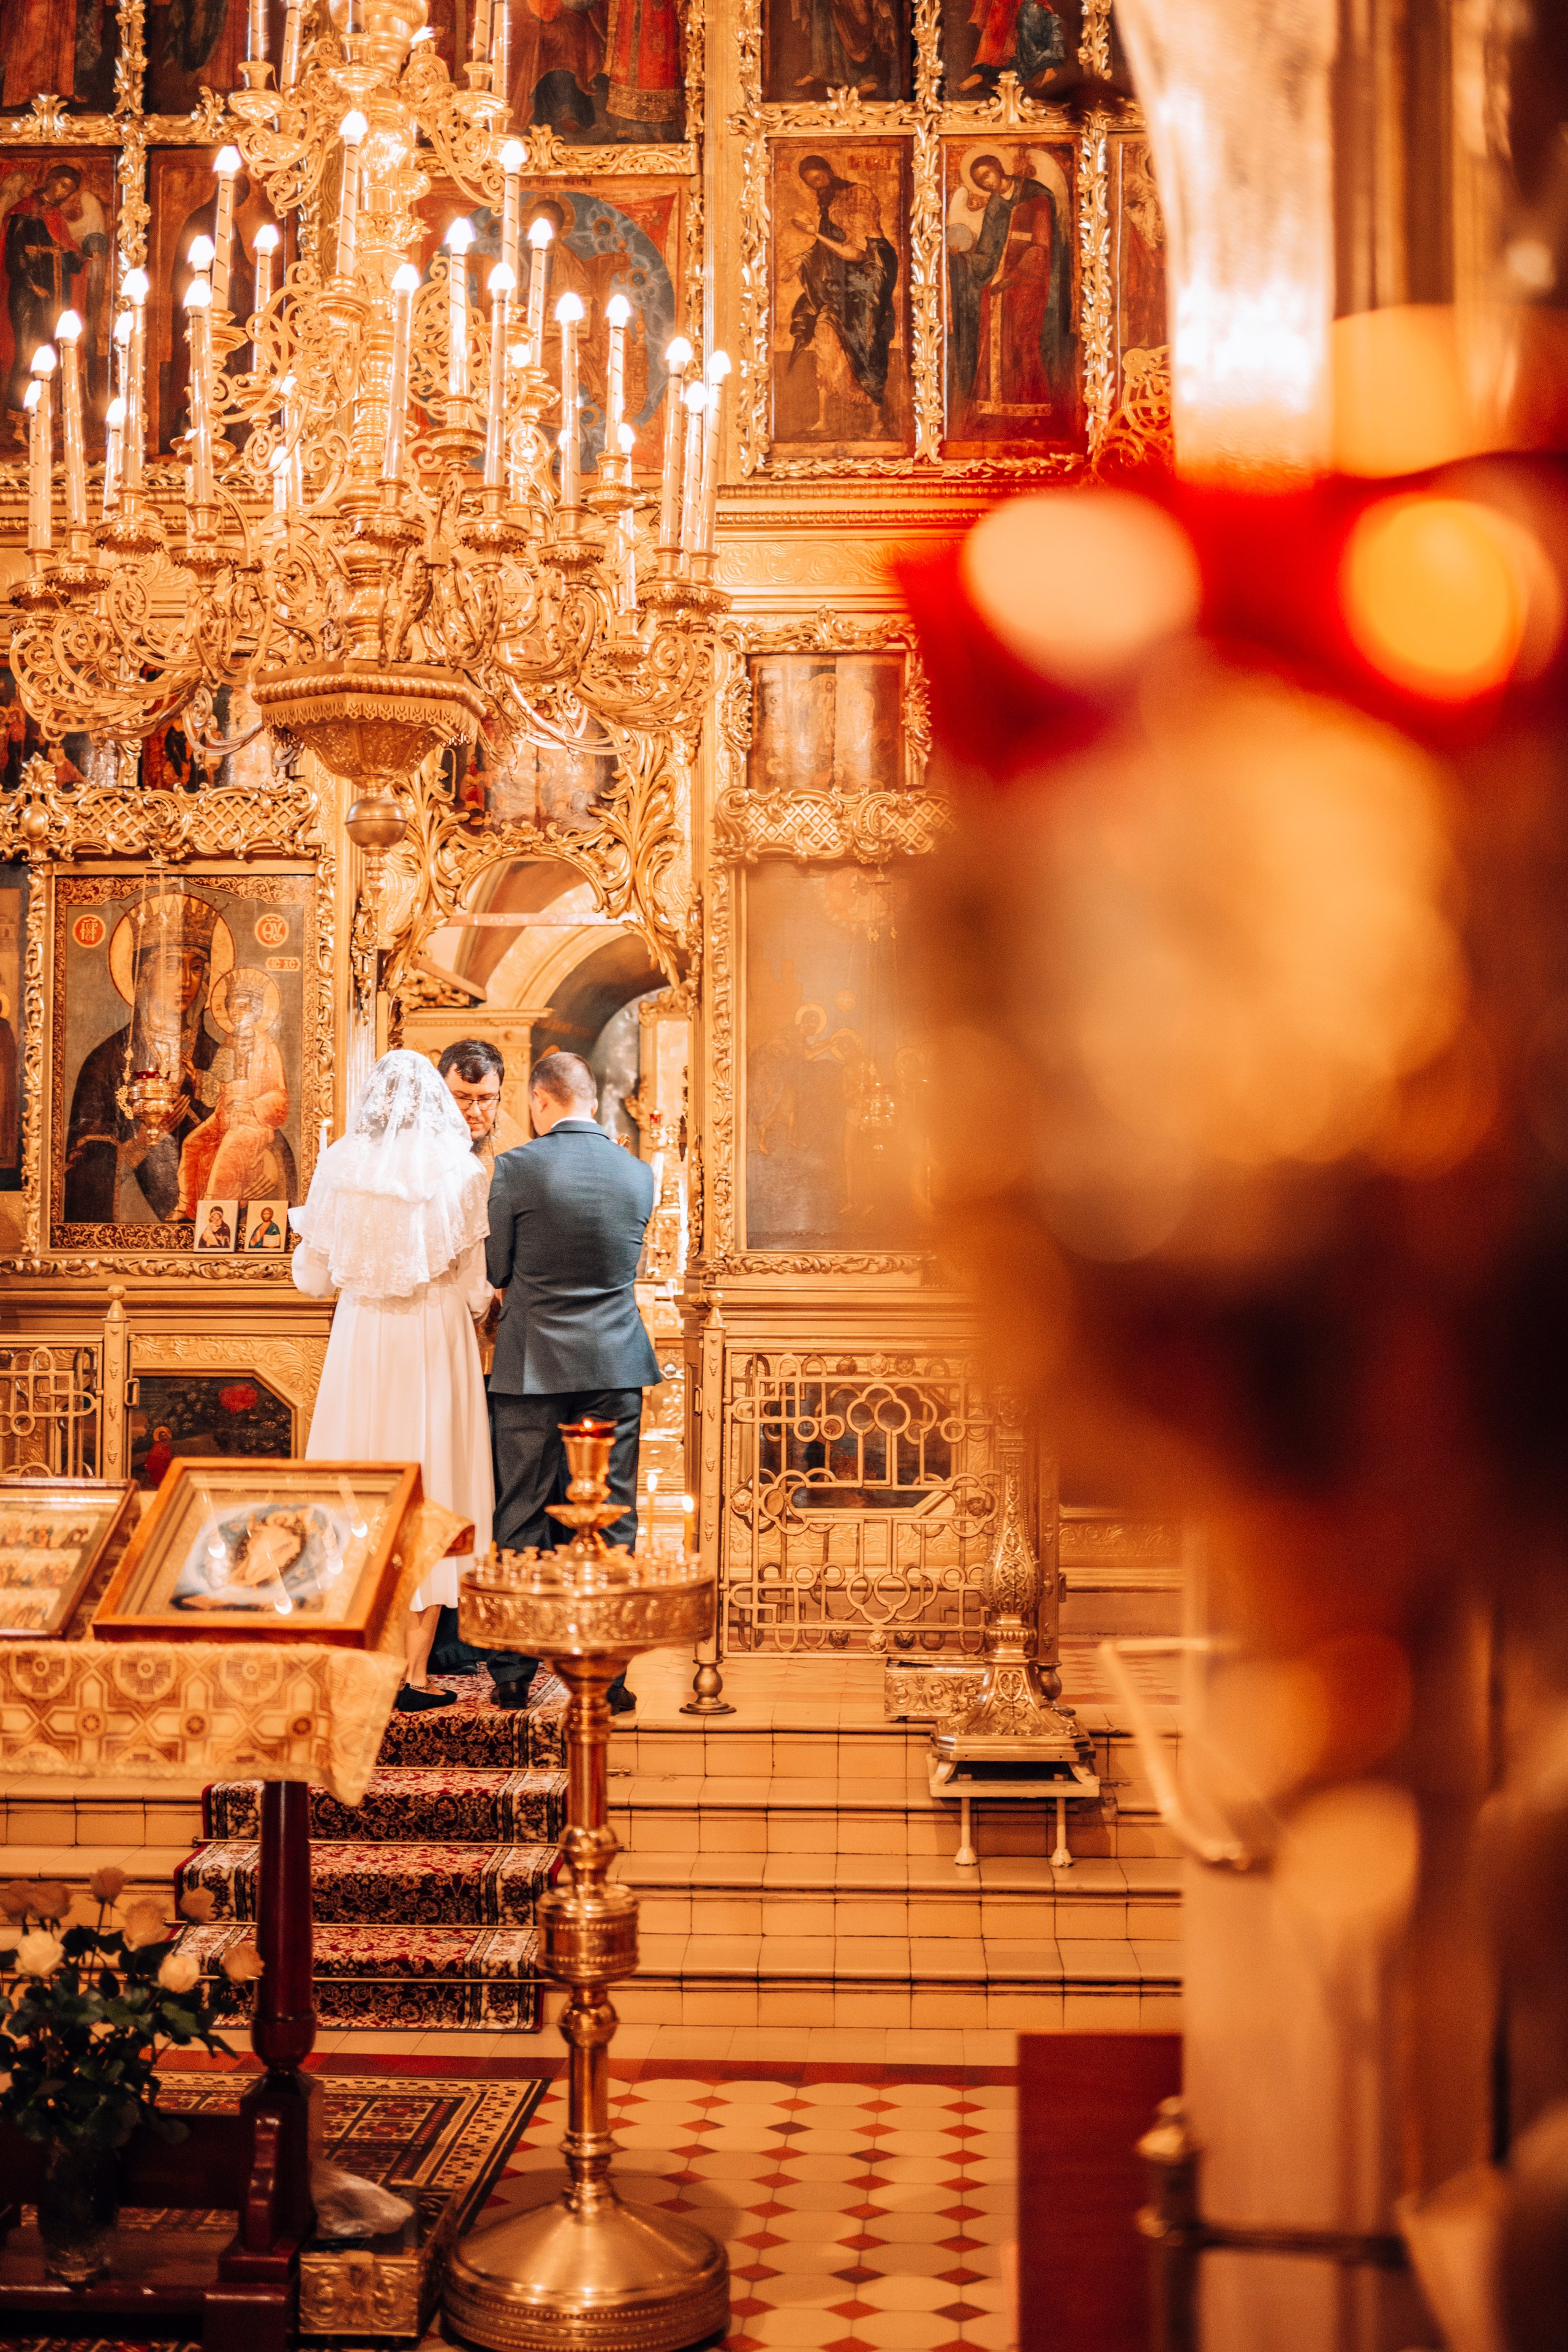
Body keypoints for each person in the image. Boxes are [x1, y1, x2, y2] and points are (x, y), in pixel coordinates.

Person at [290, 1050, 495, 1713]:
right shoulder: (461, 1171)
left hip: (363, 1339)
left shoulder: (339, 1166)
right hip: (434, 1340)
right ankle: (415, 1675)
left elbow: (315, 1280)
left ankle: (362, 1664)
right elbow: (471, 1293)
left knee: (364, 1480)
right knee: (435, 1480)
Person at [487, 1050, 660, 1714]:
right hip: (614, 1361)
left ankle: (510, 1671)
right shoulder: (638, 1174)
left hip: (532, 1364)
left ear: (540, 1100)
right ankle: (608, 1671)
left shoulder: (516, 1168)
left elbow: (498, 1266)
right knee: (610, 1513)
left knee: (523, 1509)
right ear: (590, 1099)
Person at [429, 1038, 537, 1699]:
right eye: (462, 1098)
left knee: (483, 1487)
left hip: (496, 1346)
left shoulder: (507, 1160)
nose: (474, 1111)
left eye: (486, 1098)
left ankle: (473, 1627)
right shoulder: (415, 1155)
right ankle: (433, 1630)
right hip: (439, 1339)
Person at [787, 156, 899, 437]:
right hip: (839, 281)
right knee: (825, 331)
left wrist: (816, 233)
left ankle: (877, 420)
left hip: (870, 277)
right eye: (810, 182)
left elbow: (855, 252)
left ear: (828, 171)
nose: (816, 184)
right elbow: (826, 246)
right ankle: (823, 418)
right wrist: (800, 259)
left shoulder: (856, 196)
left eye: (818, 178)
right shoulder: (828, 206)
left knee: (867, 342)